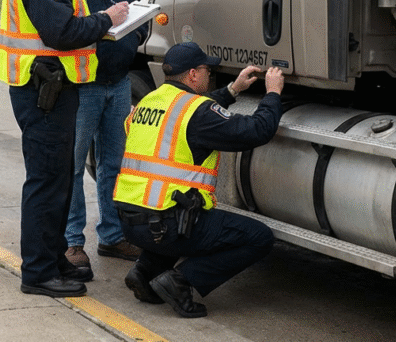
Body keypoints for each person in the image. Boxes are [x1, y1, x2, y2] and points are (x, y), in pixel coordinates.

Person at [0, 0, 129, 298]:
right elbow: (62, 32)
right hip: (44, 91)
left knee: (56, 183)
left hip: (49, 87)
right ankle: (38, 272)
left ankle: (53, 261)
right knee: (47, 182)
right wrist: (106, 19)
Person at [113, 42, 283, 318]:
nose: (209, 74)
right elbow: (256, 131)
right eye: (206, 69)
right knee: (258, 238)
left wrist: (233, 89)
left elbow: (193, 113)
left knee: (179, 213)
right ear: (193, 74)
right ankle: (181, 281)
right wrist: (273, 93)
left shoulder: (149, 101)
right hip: (165, 224)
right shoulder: (198, 112)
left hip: (131, 222)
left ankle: (144, 273)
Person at [62, 0, 148, 279]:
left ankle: (113, 236)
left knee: (115, 164)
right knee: (71, 167)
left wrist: (137, 38)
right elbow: (62, 26)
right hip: (80, 87)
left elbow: (143, 9)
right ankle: (71, 242)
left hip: (118, 82)